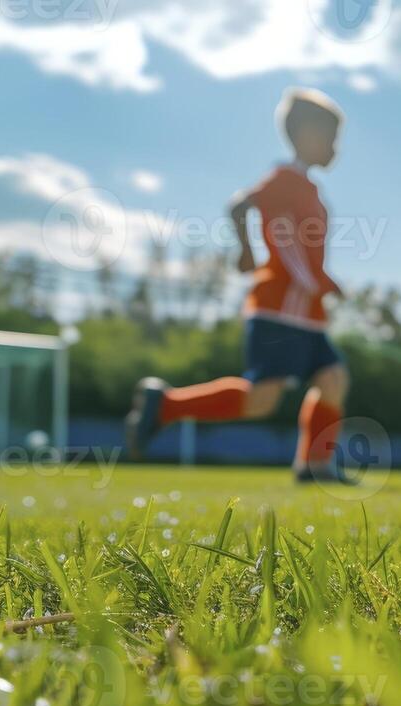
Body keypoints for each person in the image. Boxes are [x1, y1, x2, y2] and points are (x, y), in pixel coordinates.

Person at [125, 89, 353, 483]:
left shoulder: (311, 191)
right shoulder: (285, 179)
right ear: (305, 135)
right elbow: (240, 206)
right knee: (259, 401)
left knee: (333, 380)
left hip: (306, 313)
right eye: (330, 138)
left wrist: (324, 283)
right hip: (279, 308)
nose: (335, 148)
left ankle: (314, 467)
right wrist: (247, 251)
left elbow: (303, 252)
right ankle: (166, 406)